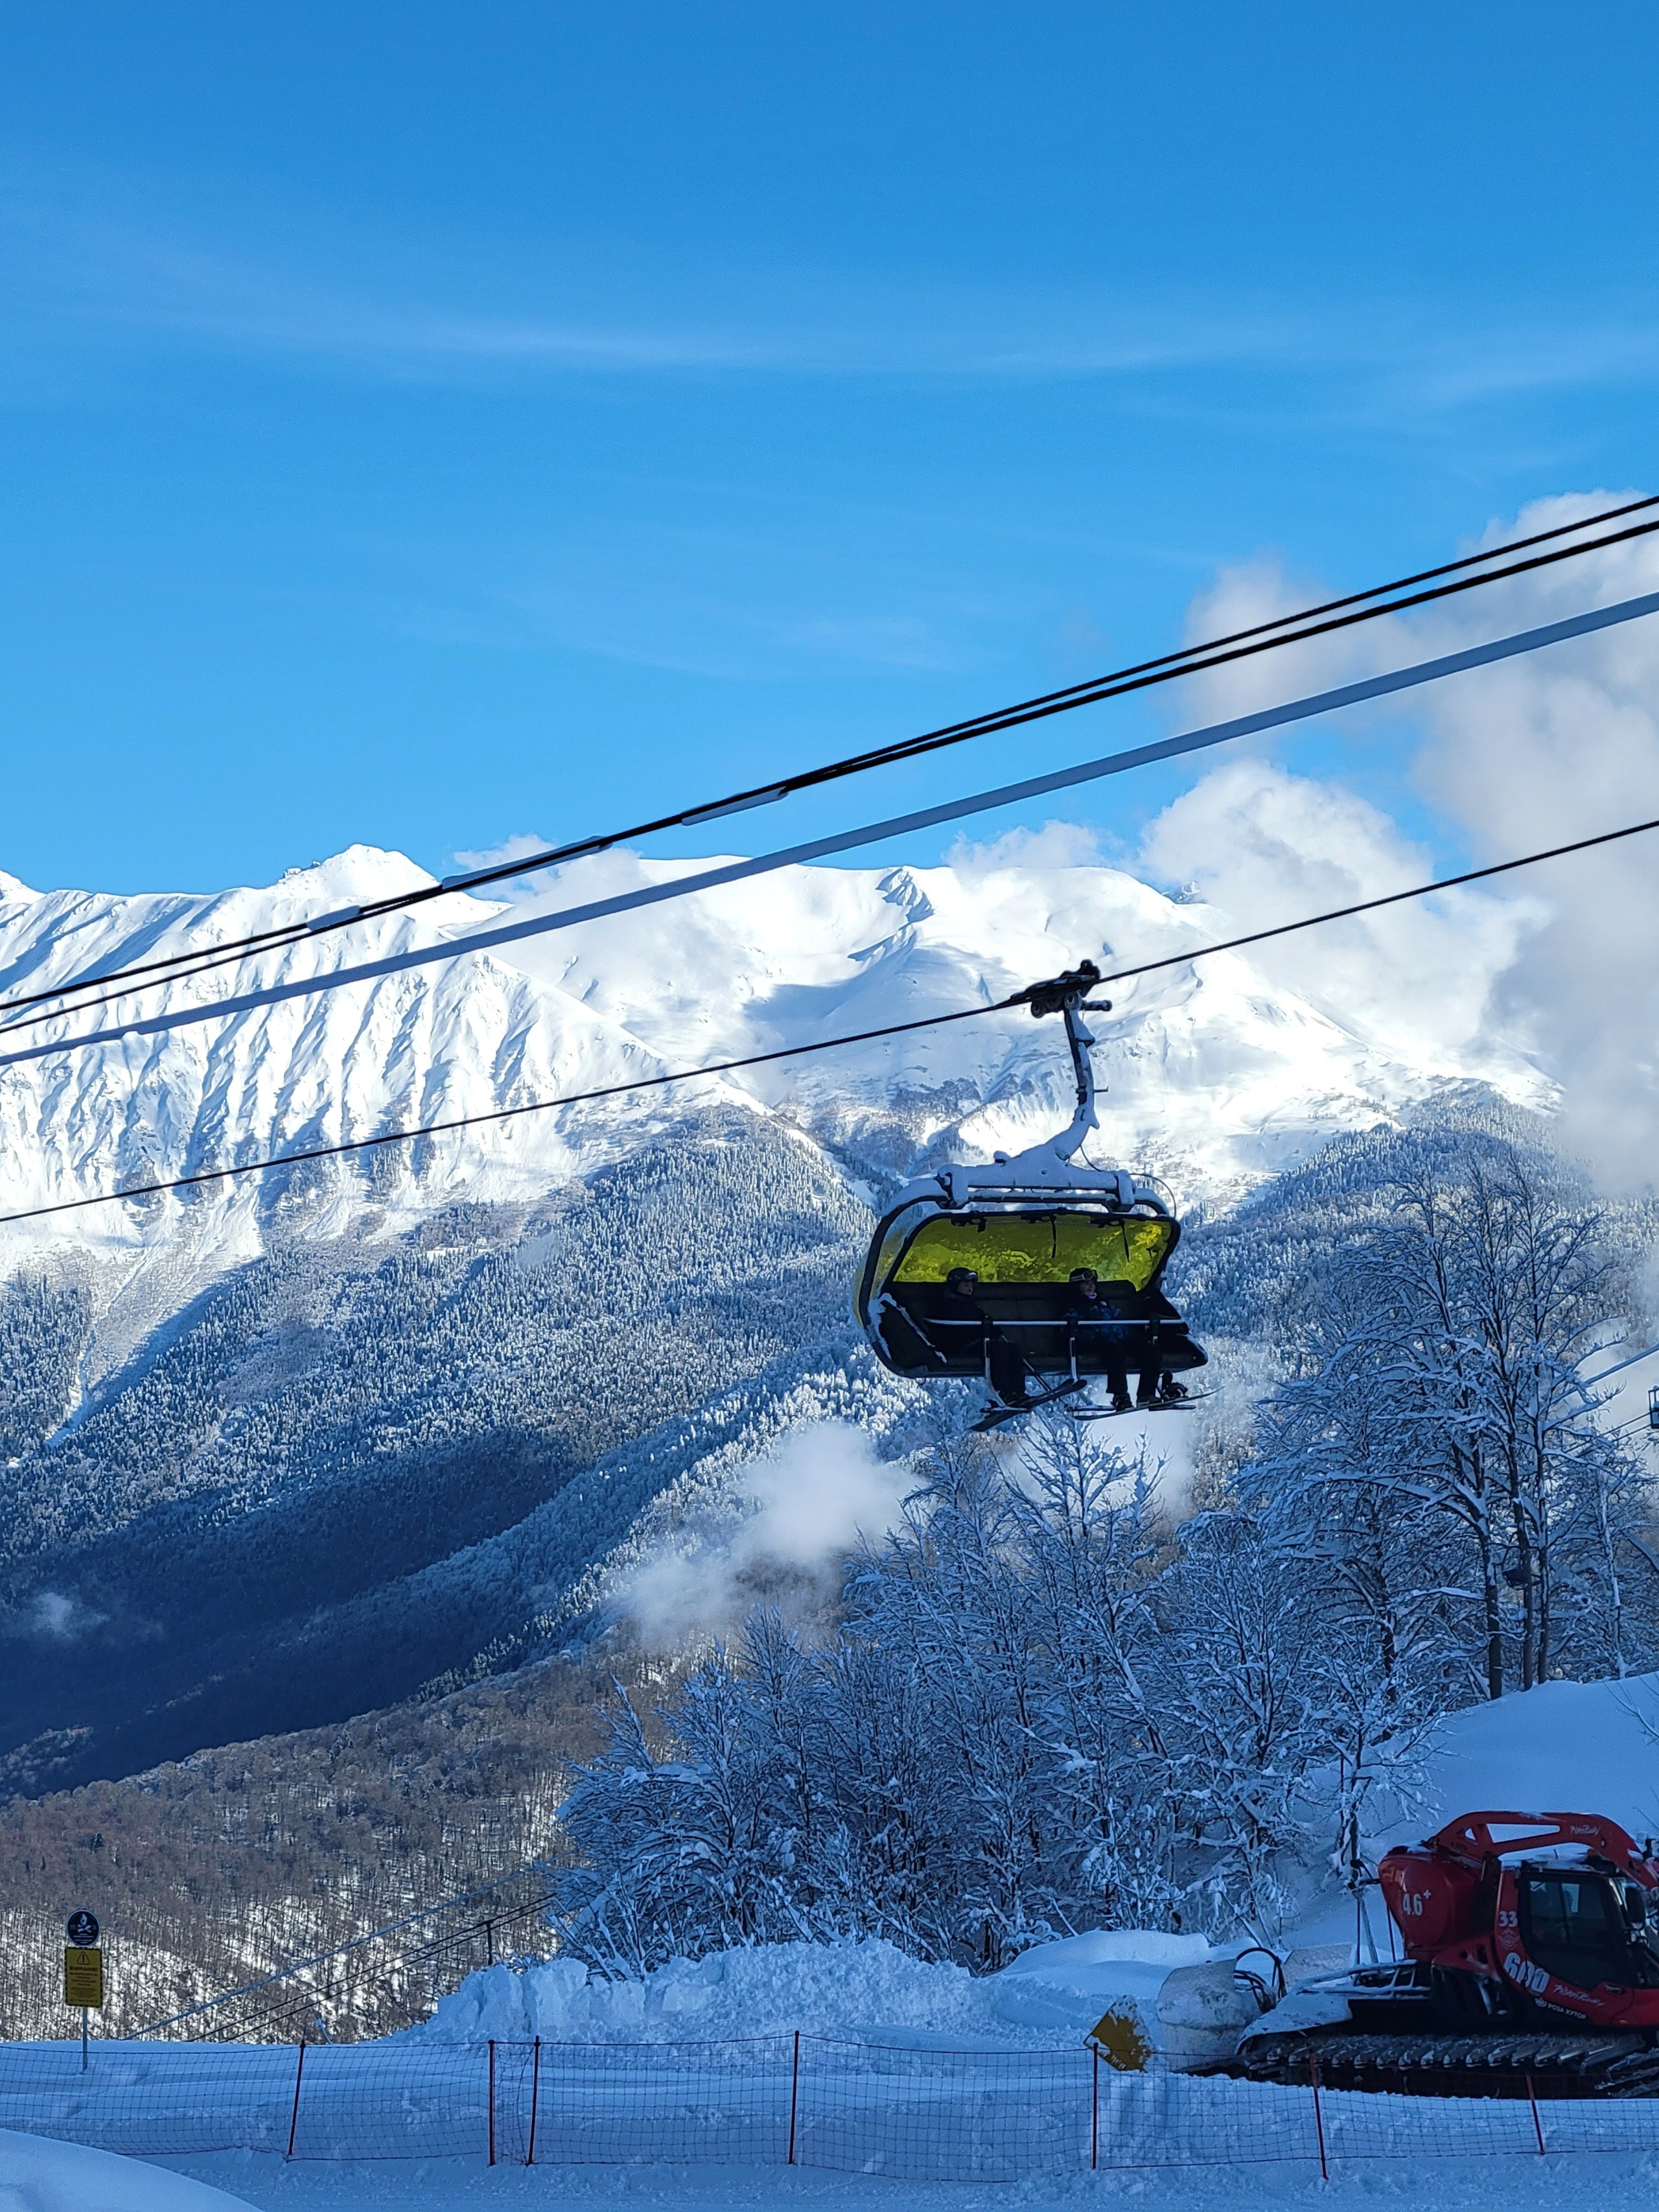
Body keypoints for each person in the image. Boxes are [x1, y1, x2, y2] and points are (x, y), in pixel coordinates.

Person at [1064, 1266, 1158, 1413]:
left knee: (1150, 1352)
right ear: (1077, 1287)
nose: (1090, 1286)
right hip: (1094, 1343)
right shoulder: (1075, 1307)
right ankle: (1120, 1396)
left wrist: (1124, 1335)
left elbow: (1119, 1321)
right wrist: (1095, 1335)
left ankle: (1146, 1394)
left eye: (1092, 1283)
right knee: (1116, 1354)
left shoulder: (1105, 1303)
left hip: (1116, 1339)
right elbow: (1070, 1329)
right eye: (1085, 1284)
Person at [934, 1266, 1031, 1408]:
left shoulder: (968, 1304)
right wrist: (983, 1332)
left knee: (1014, 1349)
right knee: (997, 1350)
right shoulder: (948, 1305)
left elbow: (982, 1319)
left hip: (976, 1341)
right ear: (956, 1286)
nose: (970, 1289)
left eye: (971, 1286)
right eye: (966, 1285)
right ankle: (1004, 1391)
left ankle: (1018, 1391)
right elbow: (955, 1330)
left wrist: (993, 1329)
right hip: (959, 1345)